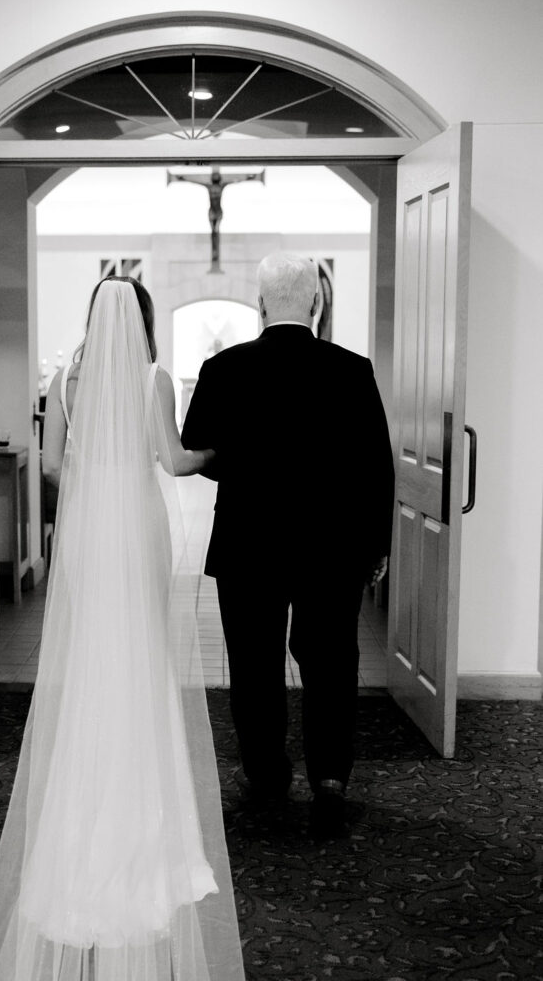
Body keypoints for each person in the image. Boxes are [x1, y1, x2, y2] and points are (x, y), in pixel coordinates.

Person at [0, 277, 246, 981]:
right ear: (145, 320)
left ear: (92, 314)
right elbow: (175, 461)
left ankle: (85, 782)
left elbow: (53, 465)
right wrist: (225, 454)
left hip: (90, 524)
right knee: (140, 649)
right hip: (135, 520)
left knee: (89, 649)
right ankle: (140, 783)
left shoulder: (65, 378)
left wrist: (95, 479)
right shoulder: (152, 377)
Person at [181, 253, 395, 839]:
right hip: (334, 545)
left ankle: (266, 777)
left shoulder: (223, 368)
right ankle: (329, 779)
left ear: (261, 303)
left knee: (253, 665)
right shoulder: (352, 369)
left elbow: (198, 449)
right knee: (331, 662)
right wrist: (377, 545)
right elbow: (377, 465)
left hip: (250, 543)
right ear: (317, 303)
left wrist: (247, 470)